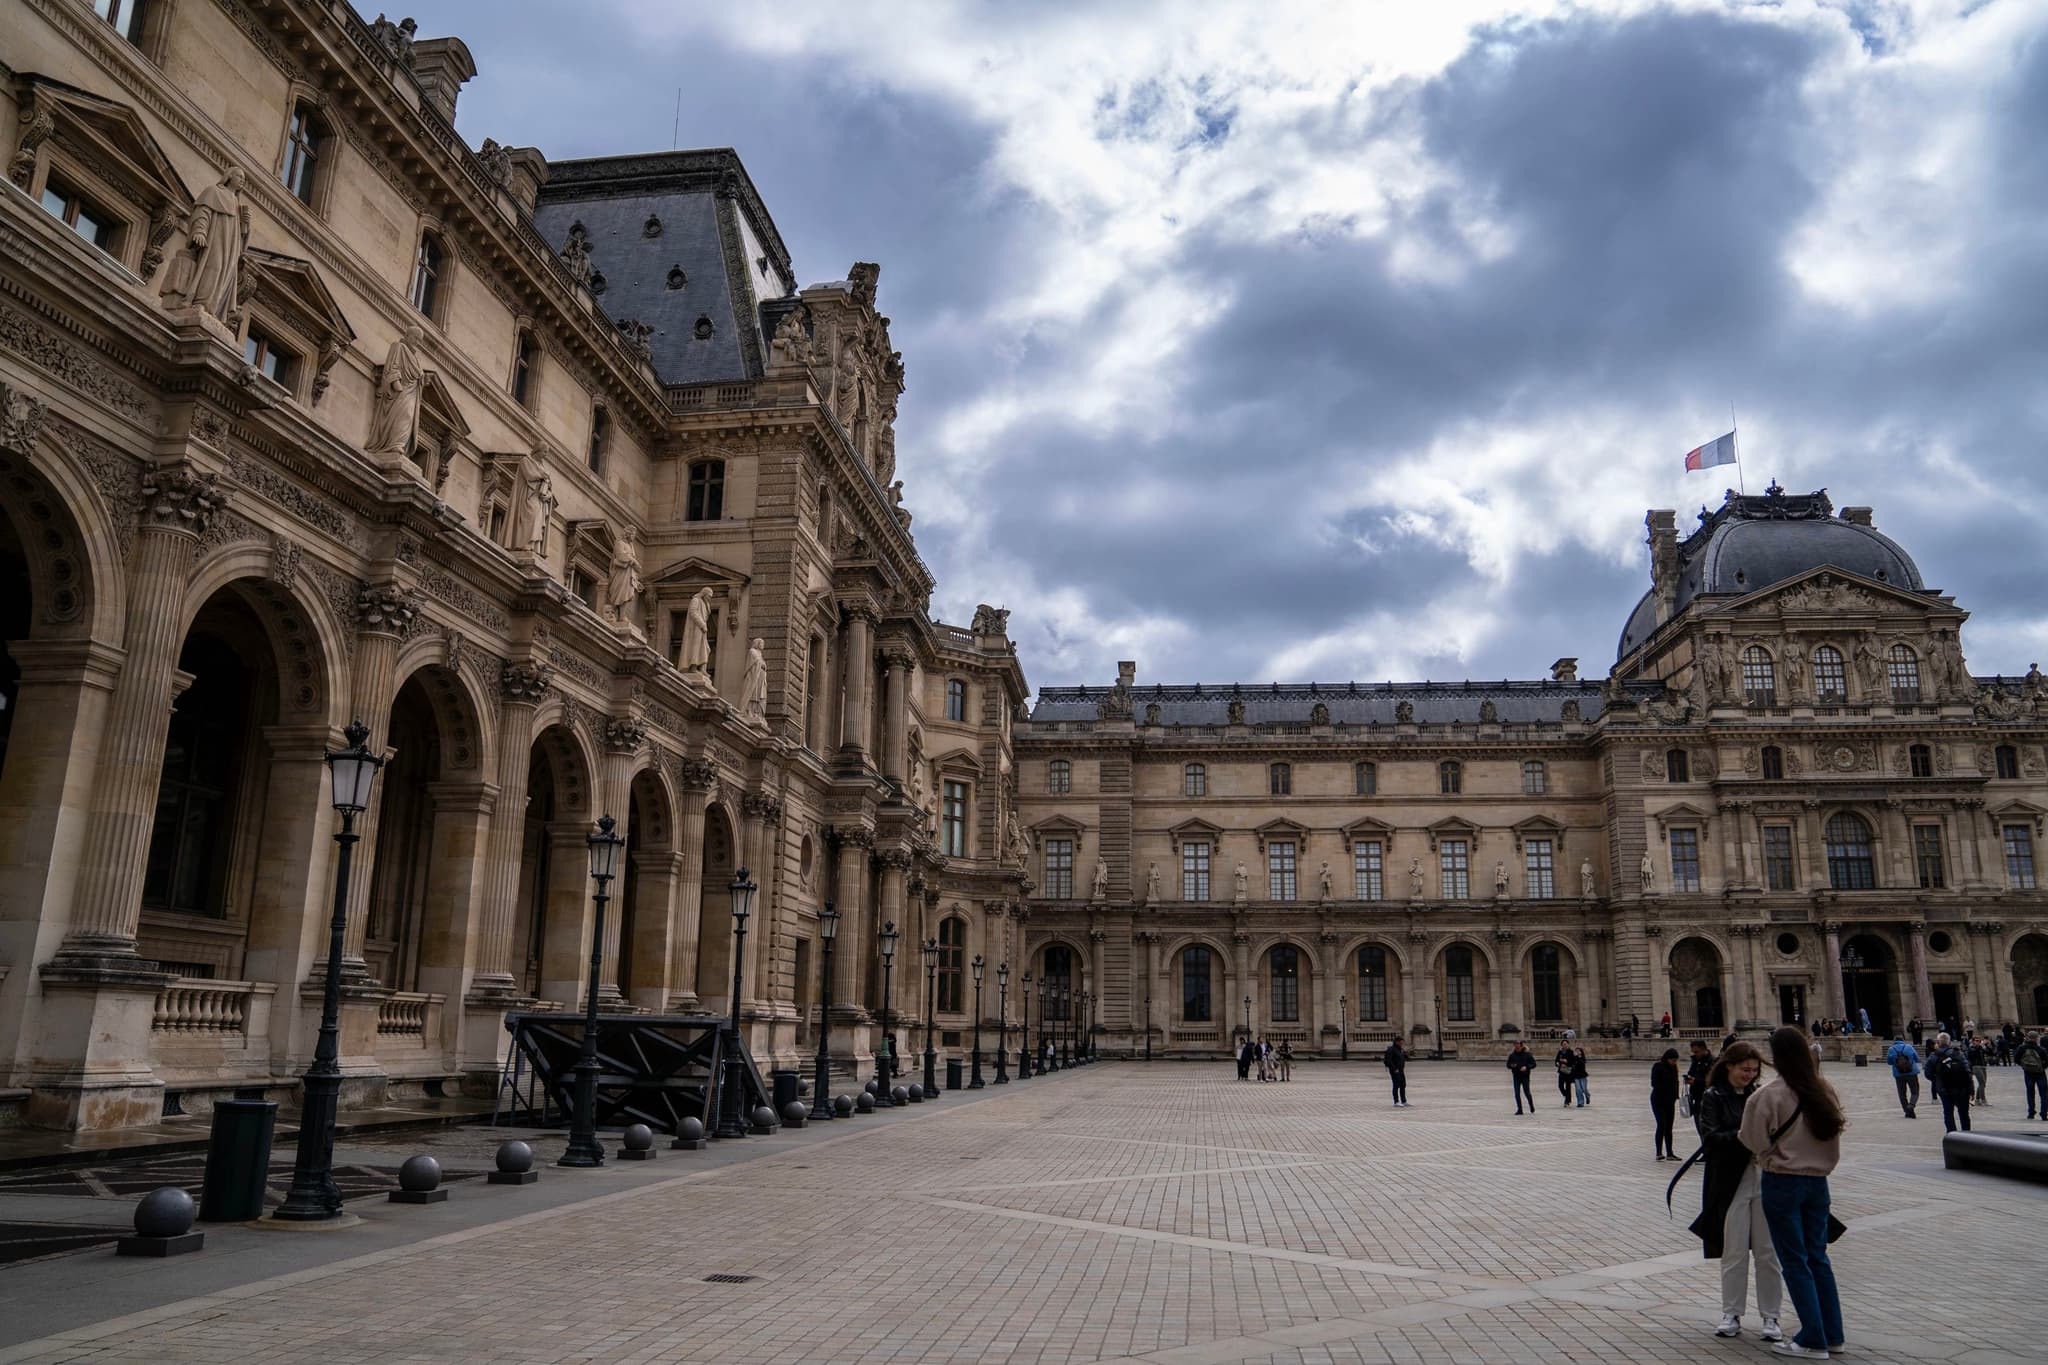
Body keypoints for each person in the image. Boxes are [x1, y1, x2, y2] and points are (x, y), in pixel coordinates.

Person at [1740, 1026, 1846, 1359]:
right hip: (1818, 1184)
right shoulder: (1825, 1091)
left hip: (1783, 1182)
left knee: (1794, 1260)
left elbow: (1751, 1140)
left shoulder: (1768, 1095)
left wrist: (1771, 1153)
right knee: (1818, 1258)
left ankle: (1812, 1338)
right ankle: (1833, 1334)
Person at [1693, 1040, 1783, 1343]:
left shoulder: (1760, 1096)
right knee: (1733, 1251)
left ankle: (1771, 1316)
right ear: (1729, 1066)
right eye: (1745, 1069)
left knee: (1768, 1252)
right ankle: (1731, 1312)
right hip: (1730, 1182)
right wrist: (1747, 1138)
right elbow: (1710, 1138)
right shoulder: (1713, 1097)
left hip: (1764, 1177)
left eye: (1754, 1070)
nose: (1750, 1074)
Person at [1927, 1032, 1972, 1133]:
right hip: (1962, 1088)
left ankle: (1952, 1136)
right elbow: (1967, 1070)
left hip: (1945, 1089)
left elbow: (1927, 1073)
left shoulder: (1933, 1056)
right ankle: (1967, 1135)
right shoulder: (1959, 1053)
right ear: (1950, 1042)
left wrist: (1938, 1080)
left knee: (1948, 1113)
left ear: (1938, 1042)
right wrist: (1970, 1088)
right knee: (1964, 1113)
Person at [1652, 1048, 1682, 1160]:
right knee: (1661, 1124)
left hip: (1670, 1101)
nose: (1674, 1062)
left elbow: (1676, 1082)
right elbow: (1654, 1083)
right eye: (1672, 1060)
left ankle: (1670, 1152)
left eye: (1675, 1060)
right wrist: (1665, 1090)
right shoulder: (1658, 1066)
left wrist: (1675, 1096)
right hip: (1658, 1100)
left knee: (1669, 1127)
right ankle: (1659, 1152)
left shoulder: (1673, 1068)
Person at [1883, 1034, 1920, 1118]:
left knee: (1902, 1093)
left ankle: (1907, 1111)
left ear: (1894, 1041)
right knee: (1915, 1091)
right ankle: (1911, 1105)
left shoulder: (1891, 1049)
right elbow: (1917, 1058)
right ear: (1903, 1040)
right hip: (1911, 1072)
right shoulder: (1909, 1047)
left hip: (1898, 1074)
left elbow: (1889, 1062)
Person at [2018, 1030, 2048, 1120]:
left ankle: (2031, 1113)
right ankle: (2043, 1114)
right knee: (2044, 1094)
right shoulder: (2040, 1049)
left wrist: (2024, 1066)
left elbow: (2016, 1059)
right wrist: (2042, 1067)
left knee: (2030, 1092)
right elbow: (2047, 1060)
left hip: (2028, 1073)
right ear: (2036, 1038)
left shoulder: (2022, 1048)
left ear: (2027, 1037)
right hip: (2040, 1073)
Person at [1684, 1039, 1713, 1130]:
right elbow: (1691, 1072)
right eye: (1693, 1052)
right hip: (1696, 1098)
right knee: (1699, 1128)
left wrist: (1695, 1081)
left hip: (1707, 1099)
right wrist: (1688, 1078)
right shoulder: (1695, 1061)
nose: (1695, 1054)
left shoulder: (1712, 1061)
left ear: (1704, 1049)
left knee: (1706, 1129)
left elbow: (1711, 1081)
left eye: (1696, 1052)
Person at [1507, 1040, 1537, 1114]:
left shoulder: (1527, 1054)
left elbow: (1534, 1064)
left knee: (1527, 1092)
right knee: (1517, 1093)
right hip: (1516, 1076)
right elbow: (1508, 1065)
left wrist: (1526, 1067)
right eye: (1515, 1045)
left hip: (1525, 1076)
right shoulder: (1512, 1055)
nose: (1517, 1046)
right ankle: (1519, 1109)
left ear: (1521, 1046)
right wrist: (1512, 1065)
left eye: (1518, 1045)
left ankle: (1531, 1105)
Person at [1383, 1038, 1409, 1107]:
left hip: (1401, 1070)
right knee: (1396, 1085)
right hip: (1395, 1070)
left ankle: (1403, 1101)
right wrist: (1394, 1069)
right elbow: (1388, 1060)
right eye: (1401, 1042)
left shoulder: (1400, 1049)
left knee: (1403, 1085)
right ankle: (1396, 1101)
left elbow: (1402, 1057)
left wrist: (1406, 1054)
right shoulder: (1391, 1049)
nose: (1402, 1043)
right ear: (1397, 1042)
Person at [1967, 1033, 1990, 1104]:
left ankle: (1977, 1100)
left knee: (1982, 1084)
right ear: (1973, 1041)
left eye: (1979, 1041)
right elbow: (1974, 1053)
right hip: (1976, 1066)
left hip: (1983, 1066)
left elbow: (1990, 1052)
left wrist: (1987, 1045)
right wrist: (1980, 1046)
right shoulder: (1971, 1048)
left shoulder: (1981, 1047)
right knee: (1982, 1083)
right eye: (1977, 1040)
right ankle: (1983, 1100)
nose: (1978, 1042)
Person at [1554, 1040, 1576, 1107]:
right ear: (1561, 1045)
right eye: (1563, 1044)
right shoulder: (1560, 1052)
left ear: (1568, 1044)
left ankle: (1567, 1101)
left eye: (1566, 1044)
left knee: (1568, 1086)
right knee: (1560, 1086)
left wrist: (1567, 1061)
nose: (1564, 1045)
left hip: (1568, 1071)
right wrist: (1557, 1063)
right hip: (1561, 1071)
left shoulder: (1571, 1052)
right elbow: (1556, 1060)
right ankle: (1567, 1096)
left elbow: (1574, 1061)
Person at [1570, 1041, 1591, 1107]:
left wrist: (1578, 1057)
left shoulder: (1582, 1058)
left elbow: (1581, 1064)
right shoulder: (1573, 1058)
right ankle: (1580, 1102)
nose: (1577, 1052)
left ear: (1581, 1052)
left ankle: (1587, 1096)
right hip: (1576, 1076)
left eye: (1578, 1051)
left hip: (1582, 1076)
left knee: (1584, 1089)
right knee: (1578, 1089)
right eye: (1576, 1051)